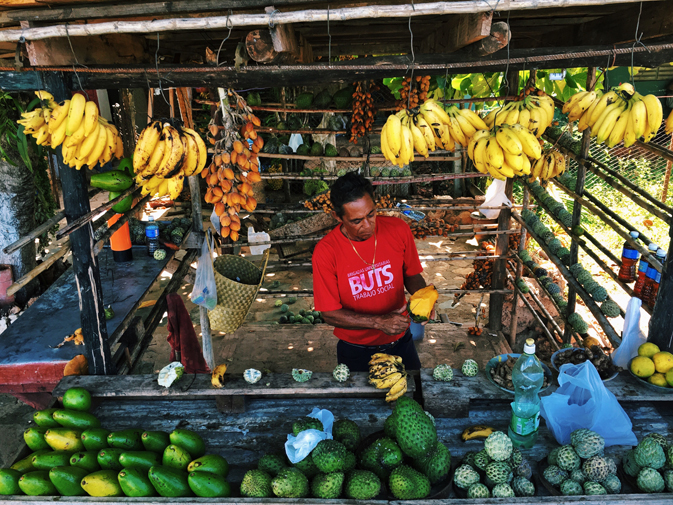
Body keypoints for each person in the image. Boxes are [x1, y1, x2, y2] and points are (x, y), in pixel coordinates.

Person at [312, 172, 434, 372]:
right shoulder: (326, 252)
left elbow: (411, 274)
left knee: (415, 395)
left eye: (371, 214)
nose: (367, 226)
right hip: (355, 349)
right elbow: (330, 314)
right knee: (362, 403)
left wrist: (423, 296)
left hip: (401, 341)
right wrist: (378, 322)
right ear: (337, 216)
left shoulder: (398, 229)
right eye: (356, 221)